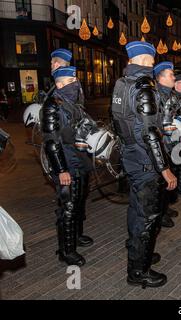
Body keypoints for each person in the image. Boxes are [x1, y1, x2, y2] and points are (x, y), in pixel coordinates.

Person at [111, 41, 177, 288]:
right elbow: (151, 133)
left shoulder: (121, 84)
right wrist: (164, 168)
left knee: (136, 210)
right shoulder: (144, 88)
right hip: (146, 162)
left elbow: (119, 122)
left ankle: (140, 252)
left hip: (130, 156)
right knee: (147, 217)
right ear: (144, 60)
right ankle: (139, 271)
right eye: (151, 61)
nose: (152, 64)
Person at [41, 66, 94, 267]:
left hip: (79, 160)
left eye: (75, 81)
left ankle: (76, 236)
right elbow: (52, 142)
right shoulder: (52, 106)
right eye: (71, 82)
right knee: (68, 208)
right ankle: (66, 250)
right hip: (65, 164)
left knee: (79, 202)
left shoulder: (74, 103)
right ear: (59, 84)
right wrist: (61, 170)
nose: (75, 85)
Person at [153, 61, 181, 228]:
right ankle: (160, 214)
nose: (174, 77)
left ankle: (165, 207)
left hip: (169, 144)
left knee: (169, 178)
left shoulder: (169, 94)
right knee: (162, 181)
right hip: (161, 145)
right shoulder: (156, 96)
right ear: (161, 78)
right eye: (171, 74)